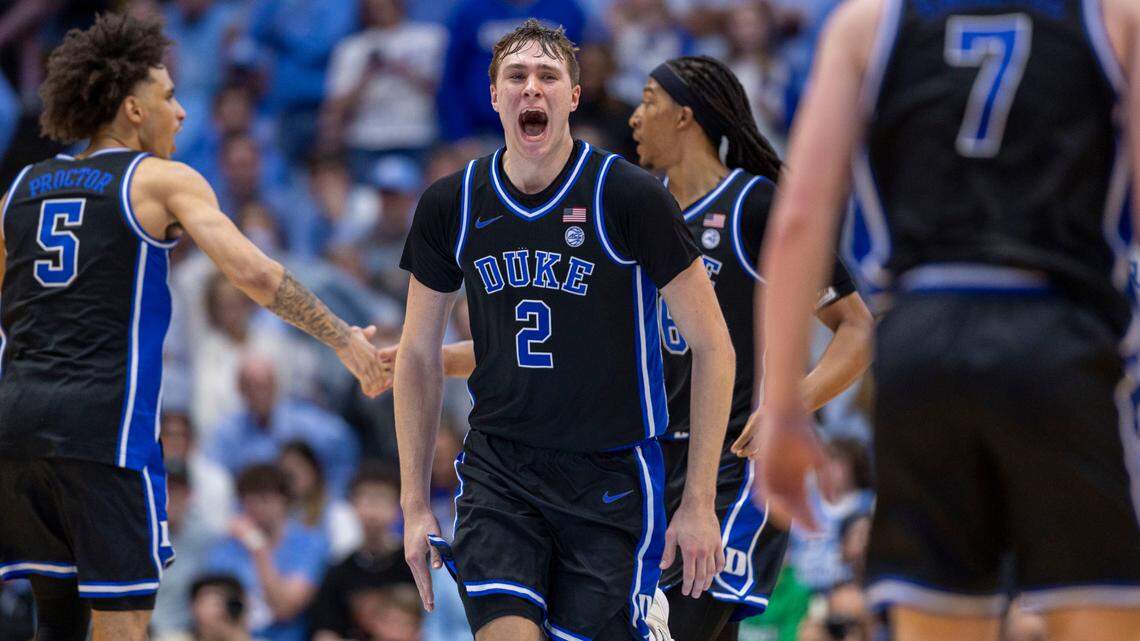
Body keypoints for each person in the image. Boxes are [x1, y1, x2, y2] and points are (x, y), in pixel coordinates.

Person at [385, 54, 873, 641]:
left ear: (687, 117)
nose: (635, 118)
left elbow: (857, 329)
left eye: (648, 100)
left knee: (687, 623)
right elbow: (549, 340)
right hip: (642, 458)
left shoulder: (752, 207)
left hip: (728, 461)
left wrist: (791, 404)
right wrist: (420, 359)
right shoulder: (630, 204)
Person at [752, 0, 1140, 640]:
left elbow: (799, 222)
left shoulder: (867, 24)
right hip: (1060, 337)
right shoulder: (1113, 18)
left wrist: (784, 411)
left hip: (919, 345)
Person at [0, 13, 384, 641]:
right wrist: (344, 338)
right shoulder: (159, 178)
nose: (180, 113)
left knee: (56, 620)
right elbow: (254, 274)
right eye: (169, 96)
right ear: (130, 109)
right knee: (123, 620)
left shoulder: (19, 189)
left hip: (15, 428)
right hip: (103, 430)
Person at [396, 18, 735, 641]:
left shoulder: (629, 197)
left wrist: (699, 503)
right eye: (516, 77)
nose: (532, 89)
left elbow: (715, 346)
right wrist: (414, 503)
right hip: (500, 470)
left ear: (573, 97)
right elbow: (417, 355)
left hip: (609, 476)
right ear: (494, 94)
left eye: (548, 76)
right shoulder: (452, 203)